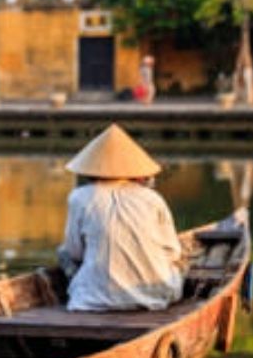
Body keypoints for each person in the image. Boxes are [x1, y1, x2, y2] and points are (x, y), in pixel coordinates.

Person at [56, 124, 184, 312]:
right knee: (177, 268)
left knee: (63, 253)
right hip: (155, 297)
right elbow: (173, 252)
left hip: (92, 300)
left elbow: (75, 252)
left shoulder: (80, 197)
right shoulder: (152, 198)